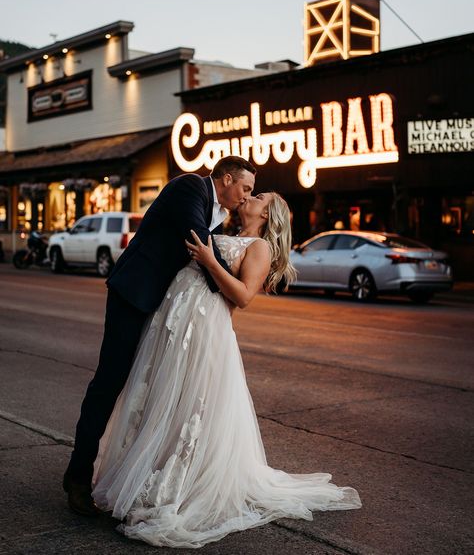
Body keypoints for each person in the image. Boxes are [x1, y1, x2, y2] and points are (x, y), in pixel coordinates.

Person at [92, 192, 362, 548]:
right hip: (173, 319)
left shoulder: (260, 247)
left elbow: (244, 296)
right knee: (160, 395)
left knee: (190, 404)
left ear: (266, 214)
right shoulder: (220, 229)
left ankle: (177, 483)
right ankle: (144, 468)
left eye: (258, 196)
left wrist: (209, 260)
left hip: (204, 326)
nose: (249, 196)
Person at [63, 156, 256, 516]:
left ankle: (127, 473)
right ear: (226, 179)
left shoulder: (215, 208)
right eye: (245, 188)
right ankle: (77, 475)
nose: (246, 197)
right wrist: (234, 288)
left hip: (160, 304)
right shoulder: (190, 188)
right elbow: (199, 244)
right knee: (110, 382)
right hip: (133, 295)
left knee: (145, 386)